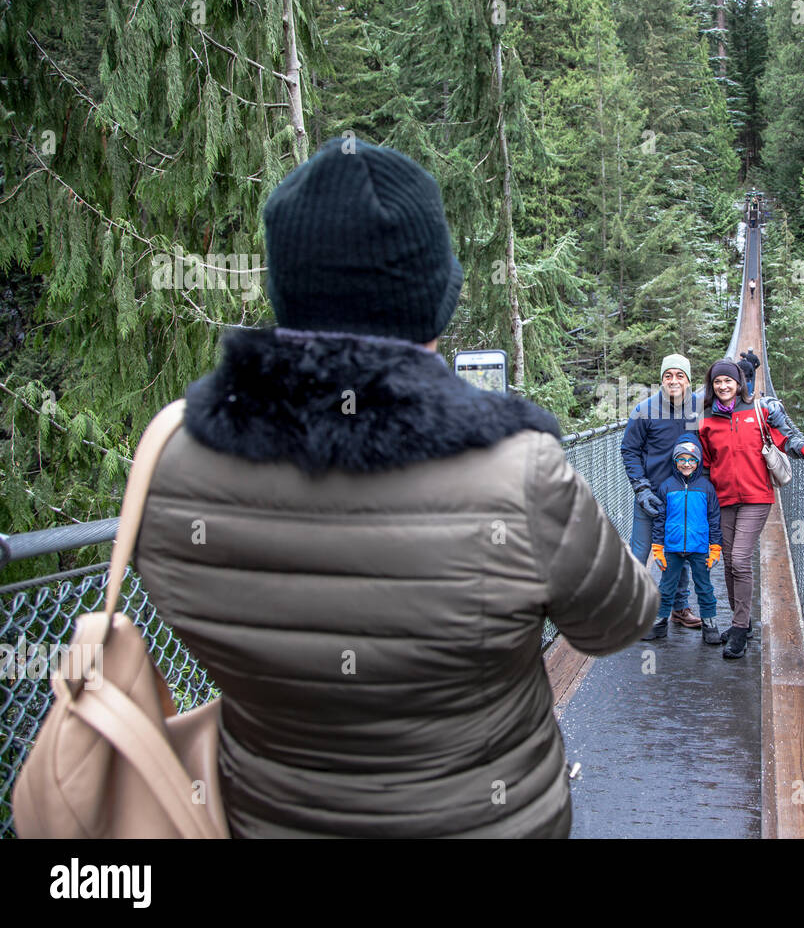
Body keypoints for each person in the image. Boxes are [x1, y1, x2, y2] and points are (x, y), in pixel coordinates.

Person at [132, 138, 658, 838]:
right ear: (434, 302)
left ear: (286, 290)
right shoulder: (520, 471)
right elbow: (615, 623)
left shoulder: (175, 465)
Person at [697, 360, 804, 659]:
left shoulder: (760, 410)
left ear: (739, 382)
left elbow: (785, 437)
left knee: (741, 558)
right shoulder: (705, 419)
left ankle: (739, 629)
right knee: (729, 561)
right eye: (718, 382)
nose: (723, 386)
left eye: (728, 381)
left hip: (757, 496)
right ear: (712, 386)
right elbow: (704, 463)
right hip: (723, 498)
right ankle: (742, 621)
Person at [621, 354, 706, 629]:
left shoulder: (699, 408)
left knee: (678, 552)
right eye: (668, 375)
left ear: (688, 380)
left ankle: (679, 608)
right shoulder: (644, 409)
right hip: (651, 494)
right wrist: (641, 488)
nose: (674, 380)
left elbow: (732, 407)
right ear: (661, 379)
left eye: (680, 375)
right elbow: (630, 450)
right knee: (640, 551)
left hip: (683, 498)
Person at [642, 440, 724, 645]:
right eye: (681, 460)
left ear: (698, 462)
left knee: (704, 587)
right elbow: (659, 519)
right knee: (666, 587)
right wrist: (658, 548)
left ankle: (710, 624)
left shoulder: (706, 488)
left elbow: (714, 519)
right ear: (675, 461)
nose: (686, 464)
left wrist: (715, 547)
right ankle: (659, 624)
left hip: (699, 548)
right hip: (672, 547)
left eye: (691, 460)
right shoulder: (666, 486)